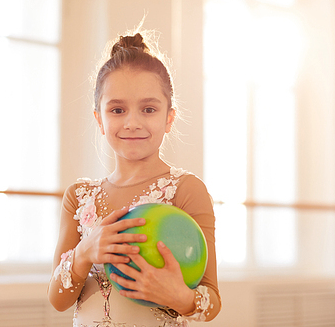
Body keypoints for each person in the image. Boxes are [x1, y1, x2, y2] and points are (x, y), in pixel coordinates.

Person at [48, 30, 221, 326]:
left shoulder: (185, 190)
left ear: (169, 118)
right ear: (99, 119)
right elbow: (58, 300)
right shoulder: (79, 196)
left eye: (149, 109)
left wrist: (178, 295)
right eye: (117, 109)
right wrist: (85, 251)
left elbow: (212, 302)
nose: (132, 122)